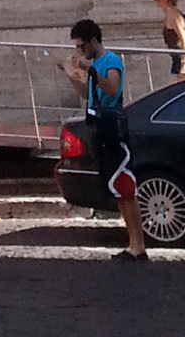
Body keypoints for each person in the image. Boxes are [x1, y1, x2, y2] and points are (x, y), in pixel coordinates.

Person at [58, 18, 146, 261]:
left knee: (126, 186)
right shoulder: (96, 64)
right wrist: (71, 73)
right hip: (101, 129)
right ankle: (132, 244)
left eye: (81, 46)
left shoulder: (110, 61)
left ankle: (138, 245)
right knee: (118, 187)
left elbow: (111, 88)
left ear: (93, 41)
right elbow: (86, 93)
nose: (80, 51)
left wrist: (90, 70)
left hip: (114, 128)